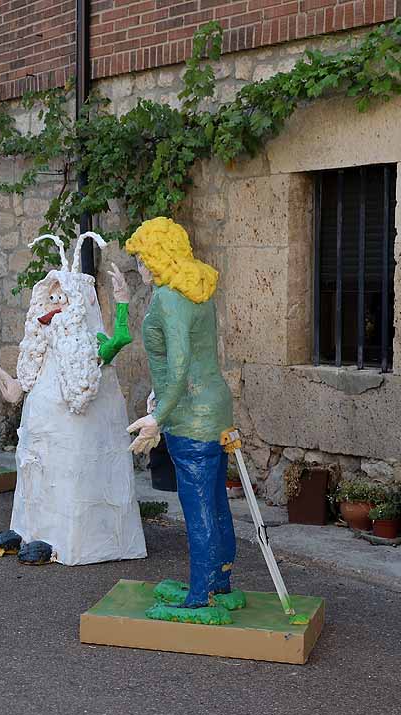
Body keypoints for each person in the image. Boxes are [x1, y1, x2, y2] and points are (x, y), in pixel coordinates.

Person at [0, 233, 146, 566]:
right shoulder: (42, 340)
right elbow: (32, 371)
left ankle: (61, 540)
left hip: (75, 427)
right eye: (52, 297)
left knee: (68, 476)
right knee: (37, 472)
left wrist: (121, 303)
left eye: (63, 298)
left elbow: (120, 338)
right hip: (42, 425)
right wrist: (15, 387)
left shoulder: (90, 343)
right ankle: (30, 530)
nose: (56, 305)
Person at [125, 217, 237, 620]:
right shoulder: (199, 288)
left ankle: (202, 592)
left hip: (190, 414)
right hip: (216, 406)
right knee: (215, 498)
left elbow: (180, 365)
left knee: (198, 503)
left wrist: (157, 417)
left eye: (141, 258)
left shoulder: (169, 299)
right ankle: (221, 579)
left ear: (157, 256)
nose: (138, 267)